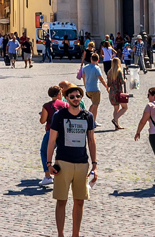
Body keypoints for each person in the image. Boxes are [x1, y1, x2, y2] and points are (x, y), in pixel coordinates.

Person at [45, 86, 97, 237]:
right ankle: (60, 234)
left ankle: (76, 234)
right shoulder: (59, 116)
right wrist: (48, 164)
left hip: (82, 163)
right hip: (63, 163)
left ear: (81, 97)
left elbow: (92, 141)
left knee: (79, 201)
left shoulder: (88, 116)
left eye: (78, 96)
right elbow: (51, 141)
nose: (76, 98)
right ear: (66, 98)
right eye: (72, 96)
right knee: (61, 201)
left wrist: (94, 164)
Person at [39, 85, 64, 185]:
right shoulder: (65, 105)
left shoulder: (47, 106)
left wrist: (42, 115)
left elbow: (43, 121)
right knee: (61, 153)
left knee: (44, 152)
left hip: (51, 131)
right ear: (59, 94)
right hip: (63, 132)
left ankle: (47, 175)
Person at [79, 52, 105, 124]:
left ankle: (87, 117)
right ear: (98, 60)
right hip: (95, 89)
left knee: (93, 104)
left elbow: (83, 78)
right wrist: (106, 87)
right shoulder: (97, 68)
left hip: (88, 89)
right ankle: (93, 121)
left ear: (90, 59)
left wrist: (85, 87)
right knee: (95, 105)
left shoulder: (85, 67)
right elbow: (101, 79)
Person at [106, 57, 129, 129]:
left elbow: (108, 84)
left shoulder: (109, 72)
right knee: (125, 107)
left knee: (116, 108)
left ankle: (117, 125)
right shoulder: (119, 71)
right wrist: (125, 80)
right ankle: (115, 119)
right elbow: (122, 82)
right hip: (118, 91)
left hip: (112, 91)